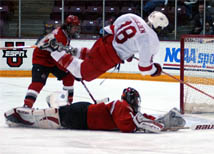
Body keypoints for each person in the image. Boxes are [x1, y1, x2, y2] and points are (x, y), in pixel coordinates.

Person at [48, 11, 169, 82]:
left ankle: (69, 50)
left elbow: (110, 29)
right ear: (160, 28)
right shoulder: (151, 40)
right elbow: (144, 68)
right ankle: (54, 51)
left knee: (90, 55)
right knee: (81, 73)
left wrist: (127, 50)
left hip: (104, 42)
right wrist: (156, 70)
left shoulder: (133, 17)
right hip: (109, 57)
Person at [4, 87, 186, 133]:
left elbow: (140, 118)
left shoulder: (126, 108)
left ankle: (21, 116)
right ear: (131, 99)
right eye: (136, 99)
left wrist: (160, 119)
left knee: (54, 118)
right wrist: (159, 126)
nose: (137, 102)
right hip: (81, 115)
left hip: (82, 116)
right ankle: (18, 115)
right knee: (50, 118)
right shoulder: (122, 106)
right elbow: (128, 126)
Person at [23, 15, 80, 108]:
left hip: (53, 60)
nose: (76, 29)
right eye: (75, 27)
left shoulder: (66, 34)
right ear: (69, 26)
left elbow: (60, 55)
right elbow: (58, 58)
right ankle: (27, 105)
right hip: (42, 60)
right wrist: (72, 70)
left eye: (77, 27)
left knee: (68, 76)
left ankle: (68, 105)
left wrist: (72, 70)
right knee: (38, 83)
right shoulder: (59, 36)